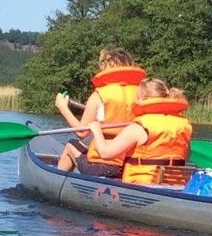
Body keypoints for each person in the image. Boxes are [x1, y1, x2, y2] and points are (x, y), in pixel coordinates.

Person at [54, 47, 146, 176]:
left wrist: (63, 107)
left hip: (104, 165)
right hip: (131, 166)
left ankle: (56, 183)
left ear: (104, 66)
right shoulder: (143, 94)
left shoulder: (100, 94)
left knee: (71, 144)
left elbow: (81, 132)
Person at [87, 77, 193, 185]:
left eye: (137, 98)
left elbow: (105, 153)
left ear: (144, 98)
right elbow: (186, 156)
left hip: (142, 184)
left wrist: (97, 130)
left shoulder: (139, 127)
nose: (136, 101)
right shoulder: (184, 126)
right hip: (174, 184)